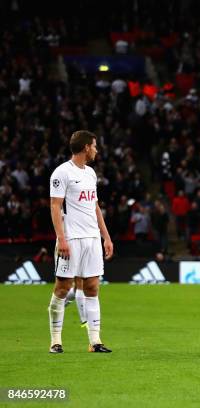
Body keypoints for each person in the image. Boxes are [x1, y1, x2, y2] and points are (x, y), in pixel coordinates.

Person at [48, 130, 113, 353]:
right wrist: (61, 238)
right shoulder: (61, 173)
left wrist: (105, 236)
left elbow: (94, 206)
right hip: (72, 239)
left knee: (92, 287)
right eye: (94, 146)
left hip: (92, 238)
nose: (96, 150)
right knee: (63, 287)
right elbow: (55, 206)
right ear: (86, 147)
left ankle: (95, 342)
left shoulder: (91, 173)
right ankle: (56, 341)